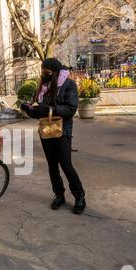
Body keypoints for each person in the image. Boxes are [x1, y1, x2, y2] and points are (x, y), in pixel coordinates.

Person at [21, 58, 86, 215]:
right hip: (46, 131)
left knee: (65, 164)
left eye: (47, 72)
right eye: (43, 72)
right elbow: (40, 111)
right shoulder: (42, 87)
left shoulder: (68, 85)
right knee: (52, 165)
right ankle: (59, 195)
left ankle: (79, 196)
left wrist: (50, 109)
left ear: (56, 72)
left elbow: (71, 109)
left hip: (62, 131)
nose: (44, 75)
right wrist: (29, 109)